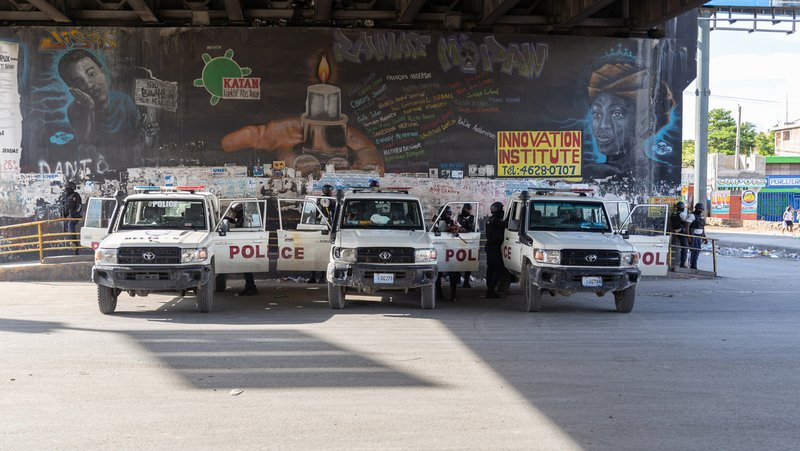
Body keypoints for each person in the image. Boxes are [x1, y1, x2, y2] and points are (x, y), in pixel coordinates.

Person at [58, 49, 156, 148]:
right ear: (73, 89)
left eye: (92, 74)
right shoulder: (74, 110)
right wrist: (90, 108)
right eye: (79, 82)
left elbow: (140, 136)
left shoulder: (124, 101)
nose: (89, 85)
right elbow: (85, 144)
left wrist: (147, 132)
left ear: (102, 71)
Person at [224, 202, 258, 296]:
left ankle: (251, 287)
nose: (234, 214)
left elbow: (238, 224)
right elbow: (234, 220)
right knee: (245, 268)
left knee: (247, 267)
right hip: (242, 245)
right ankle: (249, 287)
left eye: (235, 212)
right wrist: (226, 218)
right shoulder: (240, 218)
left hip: (245, 245)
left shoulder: (245, 219)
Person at [433, 206, 463, 301]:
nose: (449, 216)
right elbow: (437, 230)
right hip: (440, 251)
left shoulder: (453, 221)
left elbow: (463, 229)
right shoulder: (437, 221)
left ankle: (453, 295)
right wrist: (449, 228)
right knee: (437, 273)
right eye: (447, 214)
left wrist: (456, 228)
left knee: (453, 274)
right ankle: (439, 294)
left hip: (451, 251)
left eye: (450, 214)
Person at [309, 184, 336, 284]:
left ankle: (314, 276)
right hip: (325, 225)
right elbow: (329, 213)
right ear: (328, 191)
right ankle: (320, 277)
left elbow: (317, 213)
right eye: (330, 190)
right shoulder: (326, 200)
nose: (331, 192)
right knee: (324, 253)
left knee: (316, 254)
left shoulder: (321, 199)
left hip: (320, 225)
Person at [485, 201, 506, 299]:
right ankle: (491, 290)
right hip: (493, 247)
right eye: (501, 210)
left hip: (490, 247)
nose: (503, 212)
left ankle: (489, 289)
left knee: (491, 269)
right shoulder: (496, 221)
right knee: (499, 269)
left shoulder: (491, 220)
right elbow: (506, 224)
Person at [456, 204, 476, 288]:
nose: (469, 211)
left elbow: (475, 229)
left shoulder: (472, 218)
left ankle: (466, 281)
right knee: (457, 260)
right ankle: (457, 280)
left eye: (470, 210)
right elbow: (455, 227)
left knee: (469, 262)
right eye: (468, 209)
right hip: (459, 242)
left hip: (469, 242)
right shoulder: (458, 217)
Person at [61, 181, 82, 255]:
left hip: (75, 216)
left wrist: (73, 215)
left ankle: (74, 245)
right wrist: (63, 217)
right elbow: (63, 208)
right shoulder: (65, 197)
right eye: (66, 187)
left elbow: (79, 207)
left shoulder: (75, 195)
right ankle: (73, 244)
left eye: (68, 187)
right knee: (68, 230)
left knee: (70, 225)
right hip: (67, 218)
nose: (66, 189)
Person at [668, 201, 689, 270]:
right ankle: (683, 263)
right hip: (682, 232)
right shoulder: (682, 214)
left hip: (675, 232)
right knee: (685, 247)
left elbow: (671, 224)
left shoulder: (673, 214)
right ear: (682, 207)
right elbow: (687, 222)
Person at [687, 203, 707, 270]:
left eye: (701, 209)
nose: (700, 210)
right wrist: (689, 236)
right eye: (699, 209)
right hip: (693, 236)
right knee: (693, 251)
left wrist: (704, 237)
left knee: (697, 251)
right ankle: (692, 265)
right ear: (696, 208)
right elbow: (687, 226)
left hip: (699, 237)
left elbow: (702, 228)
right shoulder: (692, 215)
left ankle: (694, 264)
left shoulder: (701, 217)